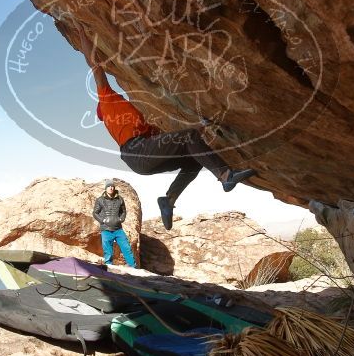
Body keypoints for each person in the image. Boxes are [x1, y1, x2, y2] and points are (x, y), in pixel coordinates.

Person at [77, 25, 256, 230]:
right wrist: (82, 34)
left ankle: (168, 200)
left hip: (141, 155)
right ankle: (226, 176)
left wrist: (203, 125)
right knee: (189, 138)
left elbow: (172, 139)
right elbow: (95, 66)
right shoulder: (107, 101)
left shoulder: (139, 122)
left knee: (193, 158)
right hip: (137, 151)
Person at [93, 179, 137, 267]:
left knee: (126, 248)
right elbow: (95, 213)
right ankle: (109, 267)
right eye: (109, 186)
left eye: (112, 186)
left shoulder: (120, 199)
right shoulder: (100, 200)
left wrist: (121, 219)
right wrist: (103, 220)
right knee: (108, 251)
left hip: (118, 229)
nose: (111, 188)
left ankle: (133, 267)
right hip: (106, 229)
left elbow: (123, 211)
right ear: (106, 188)